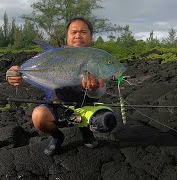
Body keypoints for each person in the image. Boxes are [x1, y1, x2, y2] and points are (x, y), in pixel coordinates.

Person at [7, 17, 110, 156]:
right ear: (67, 36)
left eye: (83, 32)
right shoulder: (55, 56)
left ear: (91, 36)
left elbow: (101, 91)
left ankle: (87, 131)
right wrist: (15, 75)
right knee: (38, 115)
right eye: (73, 32)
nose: (78, 36)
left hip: (87, 109)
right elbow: (37, 77)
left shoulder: (96, 58)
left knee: (108, 119)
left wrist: (94, 89)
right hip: (59, 109)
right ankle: (57, 137)